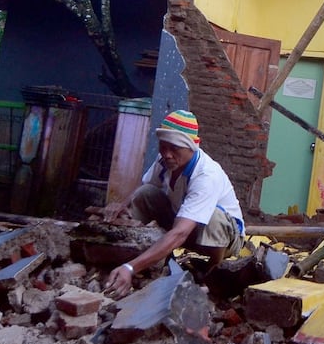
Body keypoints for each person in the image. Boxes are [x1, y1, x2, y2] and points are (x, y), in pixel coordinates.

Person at [104, 110, 245, 297]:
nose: (167, 154)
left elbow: (180, 233)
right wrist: (121, 206)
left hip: (224, 239)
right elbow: (146, 186)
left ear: (191, 147)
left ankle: (211, 276)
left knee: (213, 217)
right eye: (163, 147)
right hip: (185, 225)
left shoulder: (206, 175)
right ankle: (130, 247)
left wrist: (131, 268)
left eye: (175, 148)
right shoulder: (165, 161)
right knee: (145, 193)